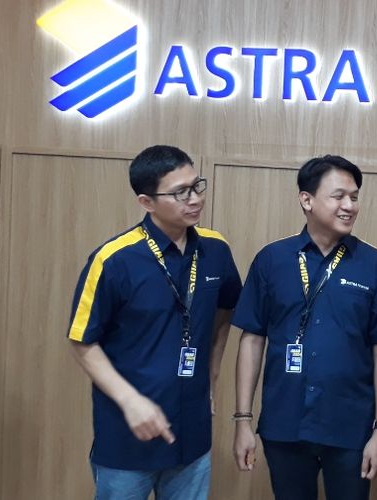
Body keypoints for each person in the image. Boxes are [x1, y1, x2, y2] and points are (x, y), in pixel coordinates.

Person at [67, 145, 242, 499]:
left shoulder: (216, 250)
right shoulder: (114, 260)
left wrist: (212, 374)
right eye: (180, 192)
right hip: (127, 438)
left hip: (192, 434)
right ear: (146, 202)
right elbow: (83, 341)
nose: (195, 199)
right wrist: (130, 401)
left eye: (197, 186)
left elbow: (226, 310)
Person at [231, 155, 377, 500]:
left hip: (351, 427)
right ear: (307, 200)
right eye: (338, 196)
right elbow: (252, 339)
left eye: (354, 197)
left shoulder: (375, 265)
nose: (349, 206)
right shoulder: (272, 259)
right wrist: (242, 421)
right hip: (284, 423)